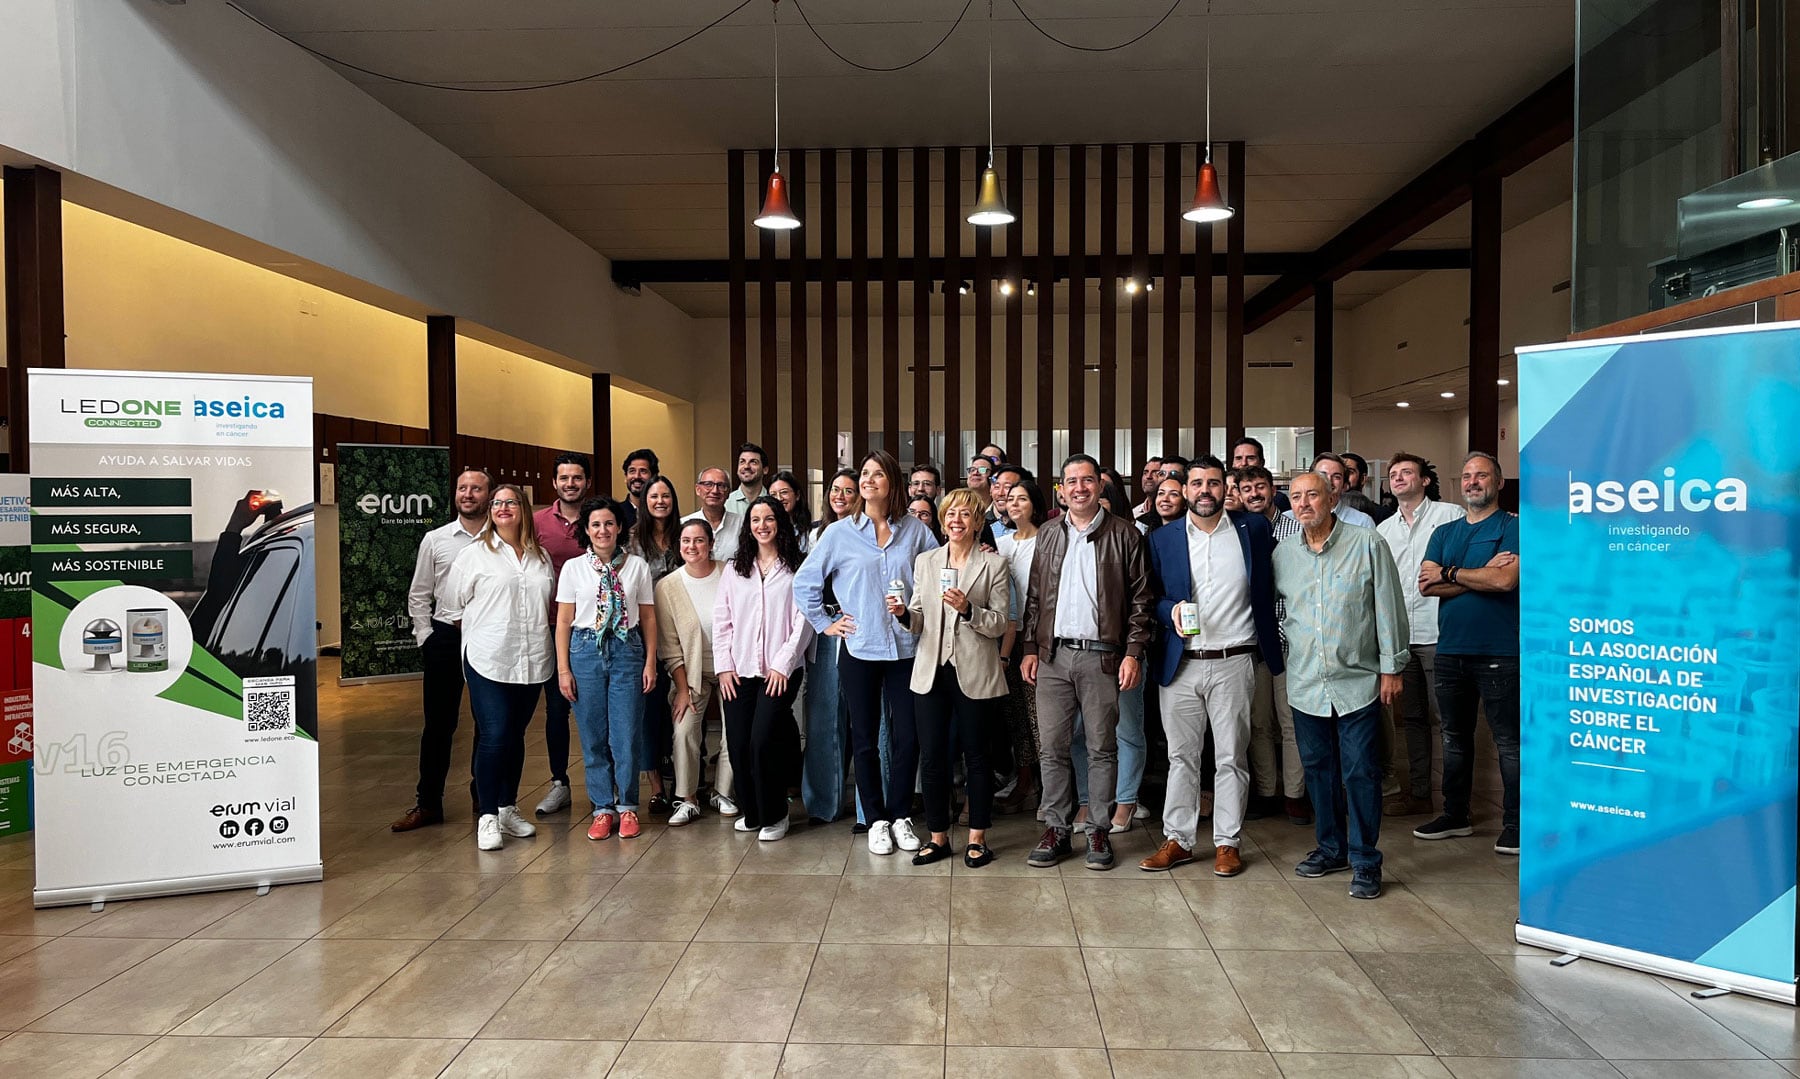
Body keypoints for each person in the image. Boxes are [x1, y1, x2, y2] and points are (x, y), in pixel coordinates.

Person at [1140, 456, 1284, 877]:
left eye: (1214, 483)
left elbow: (1272, 581)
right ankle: (1178, 840)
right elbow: (1151, 599)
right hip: (1181, 662)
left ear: (1227, 489)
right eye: (1197, 483)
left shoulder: (1252, 530)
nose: (1206, 491)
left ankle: (1227, 842)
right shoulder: (1163, 538)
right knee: (1182, 756)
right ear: (1184, 490)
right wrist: (1172, 612)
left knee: (1230, 757)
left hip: (1234, 660)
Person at [794, 449, 939, 856]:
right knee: (864, 738)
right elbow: (804, 584)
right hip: (858, 648)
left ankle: (900, 815)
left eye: (878, 474)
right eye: (864, 474)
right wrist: (826, 624)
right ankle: (875, 818)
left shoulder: (915, 531)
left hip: (908, 647)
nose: (868, 480)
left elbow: (935, 577)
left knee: (908, 736)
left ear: (892, 482)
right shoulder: (839, 533)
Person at [1273, 472, 1409, 900]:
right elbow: (1280, 612)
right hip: (1306, 681)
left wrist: (1392, 668)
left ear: (1332, 497)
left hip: (1358, 681)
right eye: (1296, 497)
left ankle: (1365, 859)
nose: (1303, 503)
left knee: (1361, 772)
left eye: (1312, 494)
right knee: (1319, 772)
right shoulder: (1283, 554)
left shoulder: (1367, 544)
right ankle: (1330, 848)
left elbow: (1388, 608)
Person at [1019, 454, 1154, 870]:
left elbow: (1141, 603)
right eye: (1071, 481)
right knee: (1052, 749)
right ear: (1060, 488)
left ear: (1099, 485)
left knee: (1101, 748)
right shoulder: (1047, 534)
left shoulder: (1126, 534)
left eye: (1087, 480)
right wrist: (1029, 647)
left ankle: (1098, 829)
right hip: (1053, 657)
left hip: (1102, 658)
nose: (1079, 488)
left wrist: (1133, 653)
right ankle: (1057, 829)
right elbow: (1036, 597)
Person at [898, 488, 1011, 867]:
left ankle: (978, 837)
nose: (956, 521)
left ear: (978, 522)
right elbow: (918, 619)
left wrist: (968, 609)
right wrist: (901, 614)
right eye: (950, 515)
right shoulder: (926, 561)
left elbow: (998, 624)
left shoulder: (994, 565)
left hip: (975, 672)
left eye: (964, 515)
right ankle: (938, 837)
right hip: (931, 672)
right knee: (932, 758)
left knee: (977, 757)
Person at [1416, 452, 1521, 855]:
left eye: (1482, 476)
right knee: (1453, 739)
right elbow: (1427, 584)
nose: (1473, 482)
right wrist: (1474, 574)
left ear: (1498, 483)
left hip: (1500, 651)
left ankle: (1514, 824)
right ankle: (1454, 815)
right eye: (1467, 476)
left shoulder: (1514, 527)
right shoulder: (1445, 532)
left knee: (1508, 743)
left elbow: (1505, 581)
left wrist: (1452, 573)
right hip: (1451, 650)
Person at [443, 483, 553, 851]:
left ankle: (507, 808)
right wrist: (484, 631)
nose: (503, 507)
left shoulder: (541, 556)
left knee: (516, 735)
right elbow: (451, 606)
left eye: (510, 502)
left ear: (523, 509)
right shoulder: (474, 555)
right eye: (497, 503)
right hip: (488, 658)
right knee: (495, 733)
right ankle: (487, 816)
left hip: (532, 658)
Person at [393, 468, 491, 832]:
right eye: (463, 488)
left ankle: (485, 799)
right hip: (445, 639)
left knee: (487, 723)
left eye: (476, 488)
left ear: (488, 495)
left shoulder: (500, 539)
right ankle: (428, 803)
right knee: (438, 725)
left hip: (486, 639)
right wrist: (425, 636)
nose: (468, 494)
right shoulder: (436, 539)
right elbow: (419, 593)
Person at [555, 497, 658, 841]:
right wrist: (563, 669)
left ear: (620, 528)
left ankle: (627, 806)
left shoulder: (637, 566)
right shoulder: (573, 569)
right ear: (586, 530)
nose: (603, 530)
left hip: (627, 648)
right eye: (596, 524)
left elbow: (648, 617)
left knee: (626, 734)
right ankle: (602, 808)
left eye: (609, 523)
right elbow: (564, 621)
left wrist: (650, 661)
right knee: (593, 736)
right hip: (584, 651)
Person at [716, 497, 814, 841]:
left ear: (780, 523)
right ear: (748, 526)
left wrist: (783, 664)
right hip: (739, 669)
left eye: (768, 518)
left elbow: (805, 620)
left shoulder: (798, 566)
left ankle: (776, 814)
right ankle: (753, 812)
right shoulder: (735, 568)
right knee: (739, 743)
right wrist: (724, 667)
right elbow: (722, 620)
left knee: (762, 741)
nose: (762, 525)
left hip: (780, 670)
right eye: (755, 519)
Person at [1375, 452, 1464, 817]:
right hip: (1400, 638)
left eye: (1406, 472)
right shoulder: (1383, 530)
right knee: (1411, 720)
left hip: (1441, 633)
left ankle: (1456, 802)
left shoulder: (1450, 516)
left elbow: (1466, 569)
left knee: (1449, 720)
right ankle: (1421, 794)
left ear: (1425, 480)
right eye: (1393, 474)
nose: (1397, 478)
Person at [1237, 465, 1311, 826]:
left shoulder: (1296, 528)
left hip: (1289, 641)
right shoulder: (1237, 530)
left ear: (1272, 489)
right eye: (1247, 488)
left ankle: (1295, 794)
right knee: (1258, 722)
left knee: (1291, 719)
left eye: (1260, 487)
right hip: (1249, 643)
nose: (1254, 494)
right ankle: (1267, 792)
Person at [655, 518, 730, 826]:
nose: (692, 547)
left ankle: (723, 792)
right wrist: (683, 689)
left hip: (730, 665)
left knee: (734, 730)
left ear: (711, 544)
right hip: (690, 670)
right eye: (686, 541)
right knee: (685, 728)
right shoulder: (667, 586)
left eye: (699, 540)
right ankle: (687, 799)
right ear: (679, 546)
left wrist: (732, 668)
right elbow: (670, 647)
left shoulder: (730, 573)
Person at [530, 451, 592, 817]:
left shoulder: (600, 517)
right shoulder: (536, 522)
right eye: (564, 478)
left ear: (586, 482)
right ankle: (559, 783)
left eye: (577, 478)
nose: (571, 484)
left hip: (593, 627)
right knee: (556, 708)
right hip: (551, 626)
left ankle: (608, 782)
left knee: (594, 707)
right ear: (554, 483)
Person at [799, 467, 862, 823]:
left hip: (860, 627)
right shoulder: (815, 535)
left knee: (864, 720)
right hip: (827, 630)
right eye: (835, 489)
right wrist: (824, 624)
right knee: (824, 717)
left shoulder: (868, 533)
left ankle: (871, 807)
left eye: (849, 491)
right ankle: (823, 804)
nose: (840, 496)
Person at [627, 474, 684, 814]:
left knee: (681, 705)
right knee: (649, 712)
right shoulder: (631, 540)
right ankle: (657, 788)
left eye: (666, 495)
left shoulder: (685, 535)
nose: (660, 501)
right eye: (653, 496)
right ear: (644, 502)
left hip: (681, 632)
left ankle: (686, 782)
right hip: (643, 635)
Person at [994, 478, 1048, 814]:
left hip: (1039, 639)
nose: (1014, 505)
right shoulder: (999, 543)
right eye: (1010, 499)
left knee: (1041, 716)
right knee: (1016, 716)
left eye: (1022, 499)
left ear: (1035, 504)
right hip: (1007, 638)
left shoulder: (1049, 539)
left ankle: (1052, 787)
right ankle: (1026, 780)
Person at [1301, 453, 1377, 528]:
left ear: (1345, 485)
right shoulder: (1292, 520)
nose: (1328, 480)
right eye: (1322, 475)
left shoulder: (1361, 522)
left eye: (1336, 477)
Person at [685, 466, 743, 562]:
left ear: (728, 492)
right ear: (698, 489)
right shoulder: (685, 525)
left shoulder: (742, 523)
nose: (715, 490)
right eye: (708, 484)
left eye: (721, 485)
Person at [1231, 437, 1290, 510]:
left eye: (1250, 458)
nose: (1244, 463)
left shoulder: (1278, 500)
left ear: (1262, 462)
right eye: (1238, 458)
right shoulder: (1225, 498)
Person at [767, 469, 813, 552]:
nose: (779, 498)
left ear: (797, 495)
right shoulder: (765, 529)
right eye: (773, 494)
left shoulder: (810, 532)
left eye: (784, 492)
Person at [1340, 452, 1388, 523]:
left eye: (1349, 472)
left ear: (1362, 479)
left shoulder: (1381, 515)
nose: (1343, 477)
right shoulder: (1325, 512)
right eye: (1338, 473)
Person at [725, 442, 768, 515]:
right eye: (742, 462)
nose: (746, 466)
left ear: (765, 470)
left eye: (753, 462)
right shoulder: (725, 503)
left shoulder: (774, 501)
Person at [621, 447, 659, 529]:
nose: (637, 476)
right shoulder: (616, 513)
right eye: (632, 471)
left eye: (643, 471)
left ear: (654, 477)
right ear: (625, 477)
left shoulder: (661, 512)